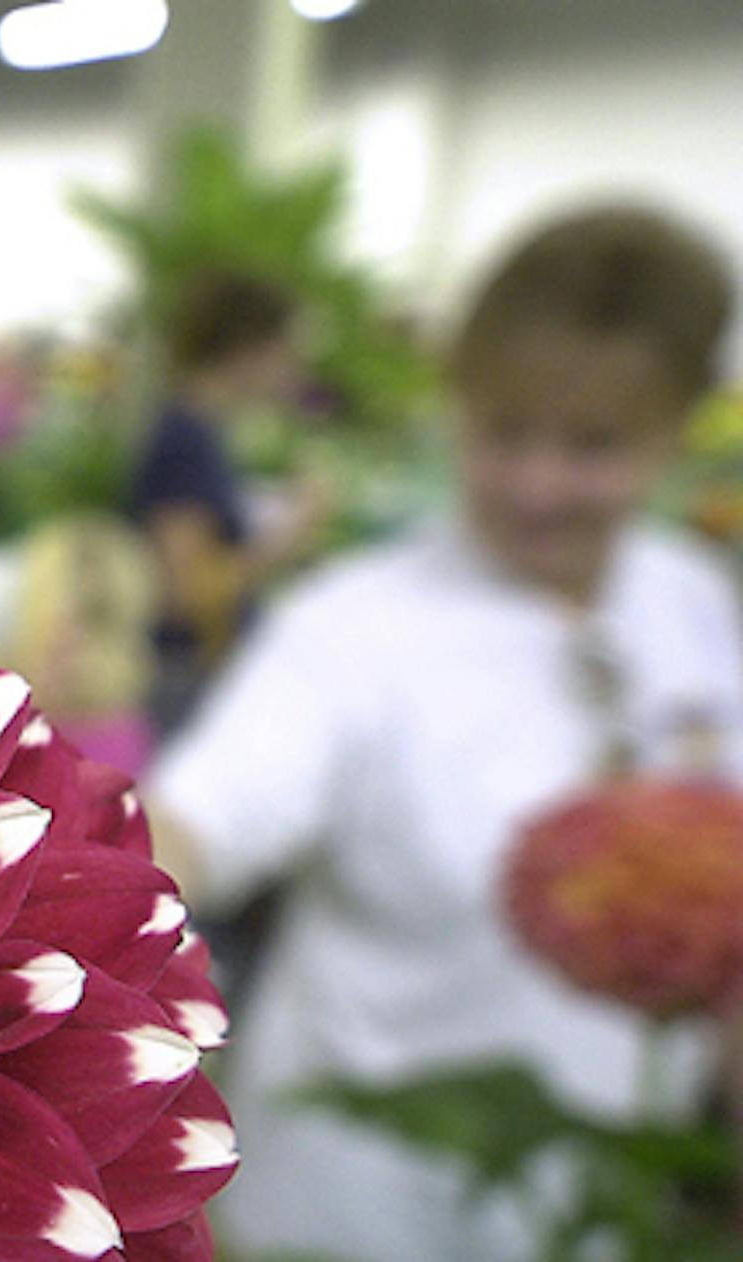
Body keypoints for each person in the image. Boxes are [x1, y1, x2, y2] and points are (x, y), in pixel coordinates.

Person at [147, 207, 743, 1260]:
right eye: (503, 430)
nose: (536, 482)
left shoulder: (689, 600)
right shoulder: (355, 624)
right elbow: (196, 822)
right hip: (348, 1216)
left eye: (594, 444)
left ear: (676, 428)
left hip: (605, 1205)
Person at [129, 269, 312, 728]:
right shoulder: (186, 439)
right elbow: (183, 589)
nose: (291, 369)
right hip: (180, 681)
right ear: (249, 348)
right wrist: (288, 534)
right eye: (284, 351)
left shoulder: (201, 432)